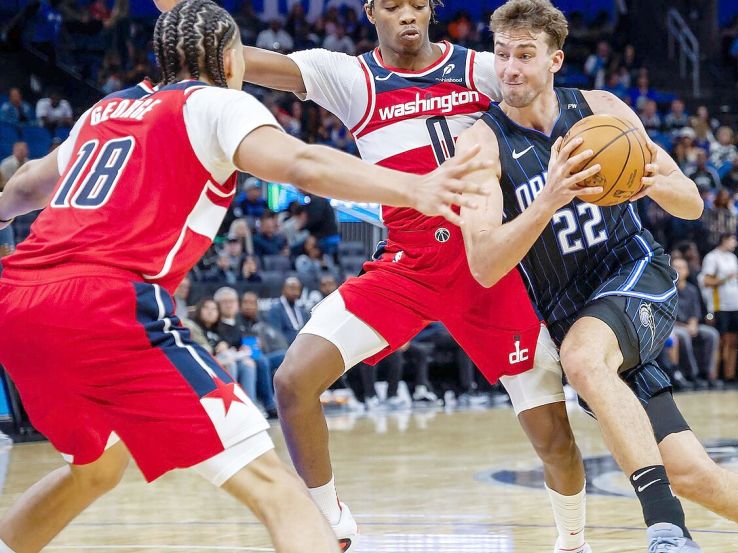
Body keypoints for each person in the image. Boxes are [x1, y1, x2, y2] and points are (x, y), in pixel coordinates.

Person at [0, 0, 486, 549]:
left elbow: (22, 190)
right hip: (107, 306)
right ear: (232, 59)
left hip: (18, 305)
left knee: (95, 469)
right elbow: (303, 165)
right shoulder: (219, 105)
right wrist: (413, 188)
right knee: (278, 491)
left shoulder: (106, 110)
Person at [456, 2, 738, 553]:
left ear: (555, 60)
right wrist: (548, 199)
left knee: (582, 358)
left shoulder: (602, 112)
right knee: (694, 474)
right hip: (573, 310)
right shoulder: (480, 143)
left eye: (525, 55)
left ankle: (667, 532)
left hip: (635, 271)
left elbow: (690, 202)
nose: (510, 68)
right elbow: (484, 262)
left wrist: (649, 183)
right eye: (502, 55)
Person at [240, 1, 590, 550]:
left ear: (432, 10)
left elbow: (549, 103)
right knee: (292, 381)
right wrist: (186, 19)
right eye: (393, 4)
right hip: (409, 266)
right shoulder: (350, 77)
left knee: (554, 440)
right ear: (371, 11)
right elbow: (243, 62)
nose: (408, 14)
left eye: (418, 4)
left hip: (489, 266)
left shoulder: (481, 69)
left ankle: (573, 543)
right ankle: (329, 524)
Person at [698, 233, 738, 386]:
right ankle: (714, 375)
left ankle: (729, 375)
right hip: (719, 305)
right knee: (720, 341)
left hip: (735, 304)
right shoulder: (712, 258)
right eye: (733, 240)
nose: (735, 243)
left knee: (733, 341)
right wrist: (724, 279)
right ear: (724, 240)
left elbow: (736, 283)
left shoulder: (733, 258)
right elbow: (706, 281)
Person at [670, 257, 719, 385]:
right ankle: (692, 374)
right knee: (683, 335)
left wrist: (693, 324)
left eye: (681, 267)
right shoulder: (666, 290)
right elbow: (666, 317)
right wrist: (685, 327)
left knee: (711, 334)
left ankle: (707, 373)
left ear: (687, 271)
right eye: (675, 267)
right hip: (673, 327)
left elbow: (695, 313)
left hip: (689, 325)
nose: (678, 270)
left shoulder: (692, 290)